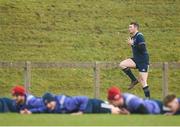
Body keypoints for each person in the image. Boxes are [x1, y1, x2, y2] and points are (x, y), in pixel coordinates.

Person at [119, 22, 150, 98]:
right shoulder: (133, 37)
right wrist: (132, 43)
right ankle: (134, 80)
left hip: (143, 61)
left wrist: (132, 44)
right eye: (129, 27)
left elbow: (142, 49)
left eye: (130, 27)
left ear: (135, 28)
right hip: (136, 59)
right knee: (122, 64)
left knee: (143, 82)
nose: (129, 28)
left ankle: (148, 100)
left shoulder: (140, 36)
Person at [42, 92, 121, 114]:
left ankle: (131, 110)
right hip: (92, 106)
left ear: (53, 100)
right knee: (113, 110)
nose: (48, 105)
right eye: (46, 104)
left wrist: (81, 112)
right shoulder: (56, 108)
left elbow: (84, 99)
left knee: (115, 110)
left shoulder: (66, 102)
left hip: (95, 104)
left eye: (49, 103)